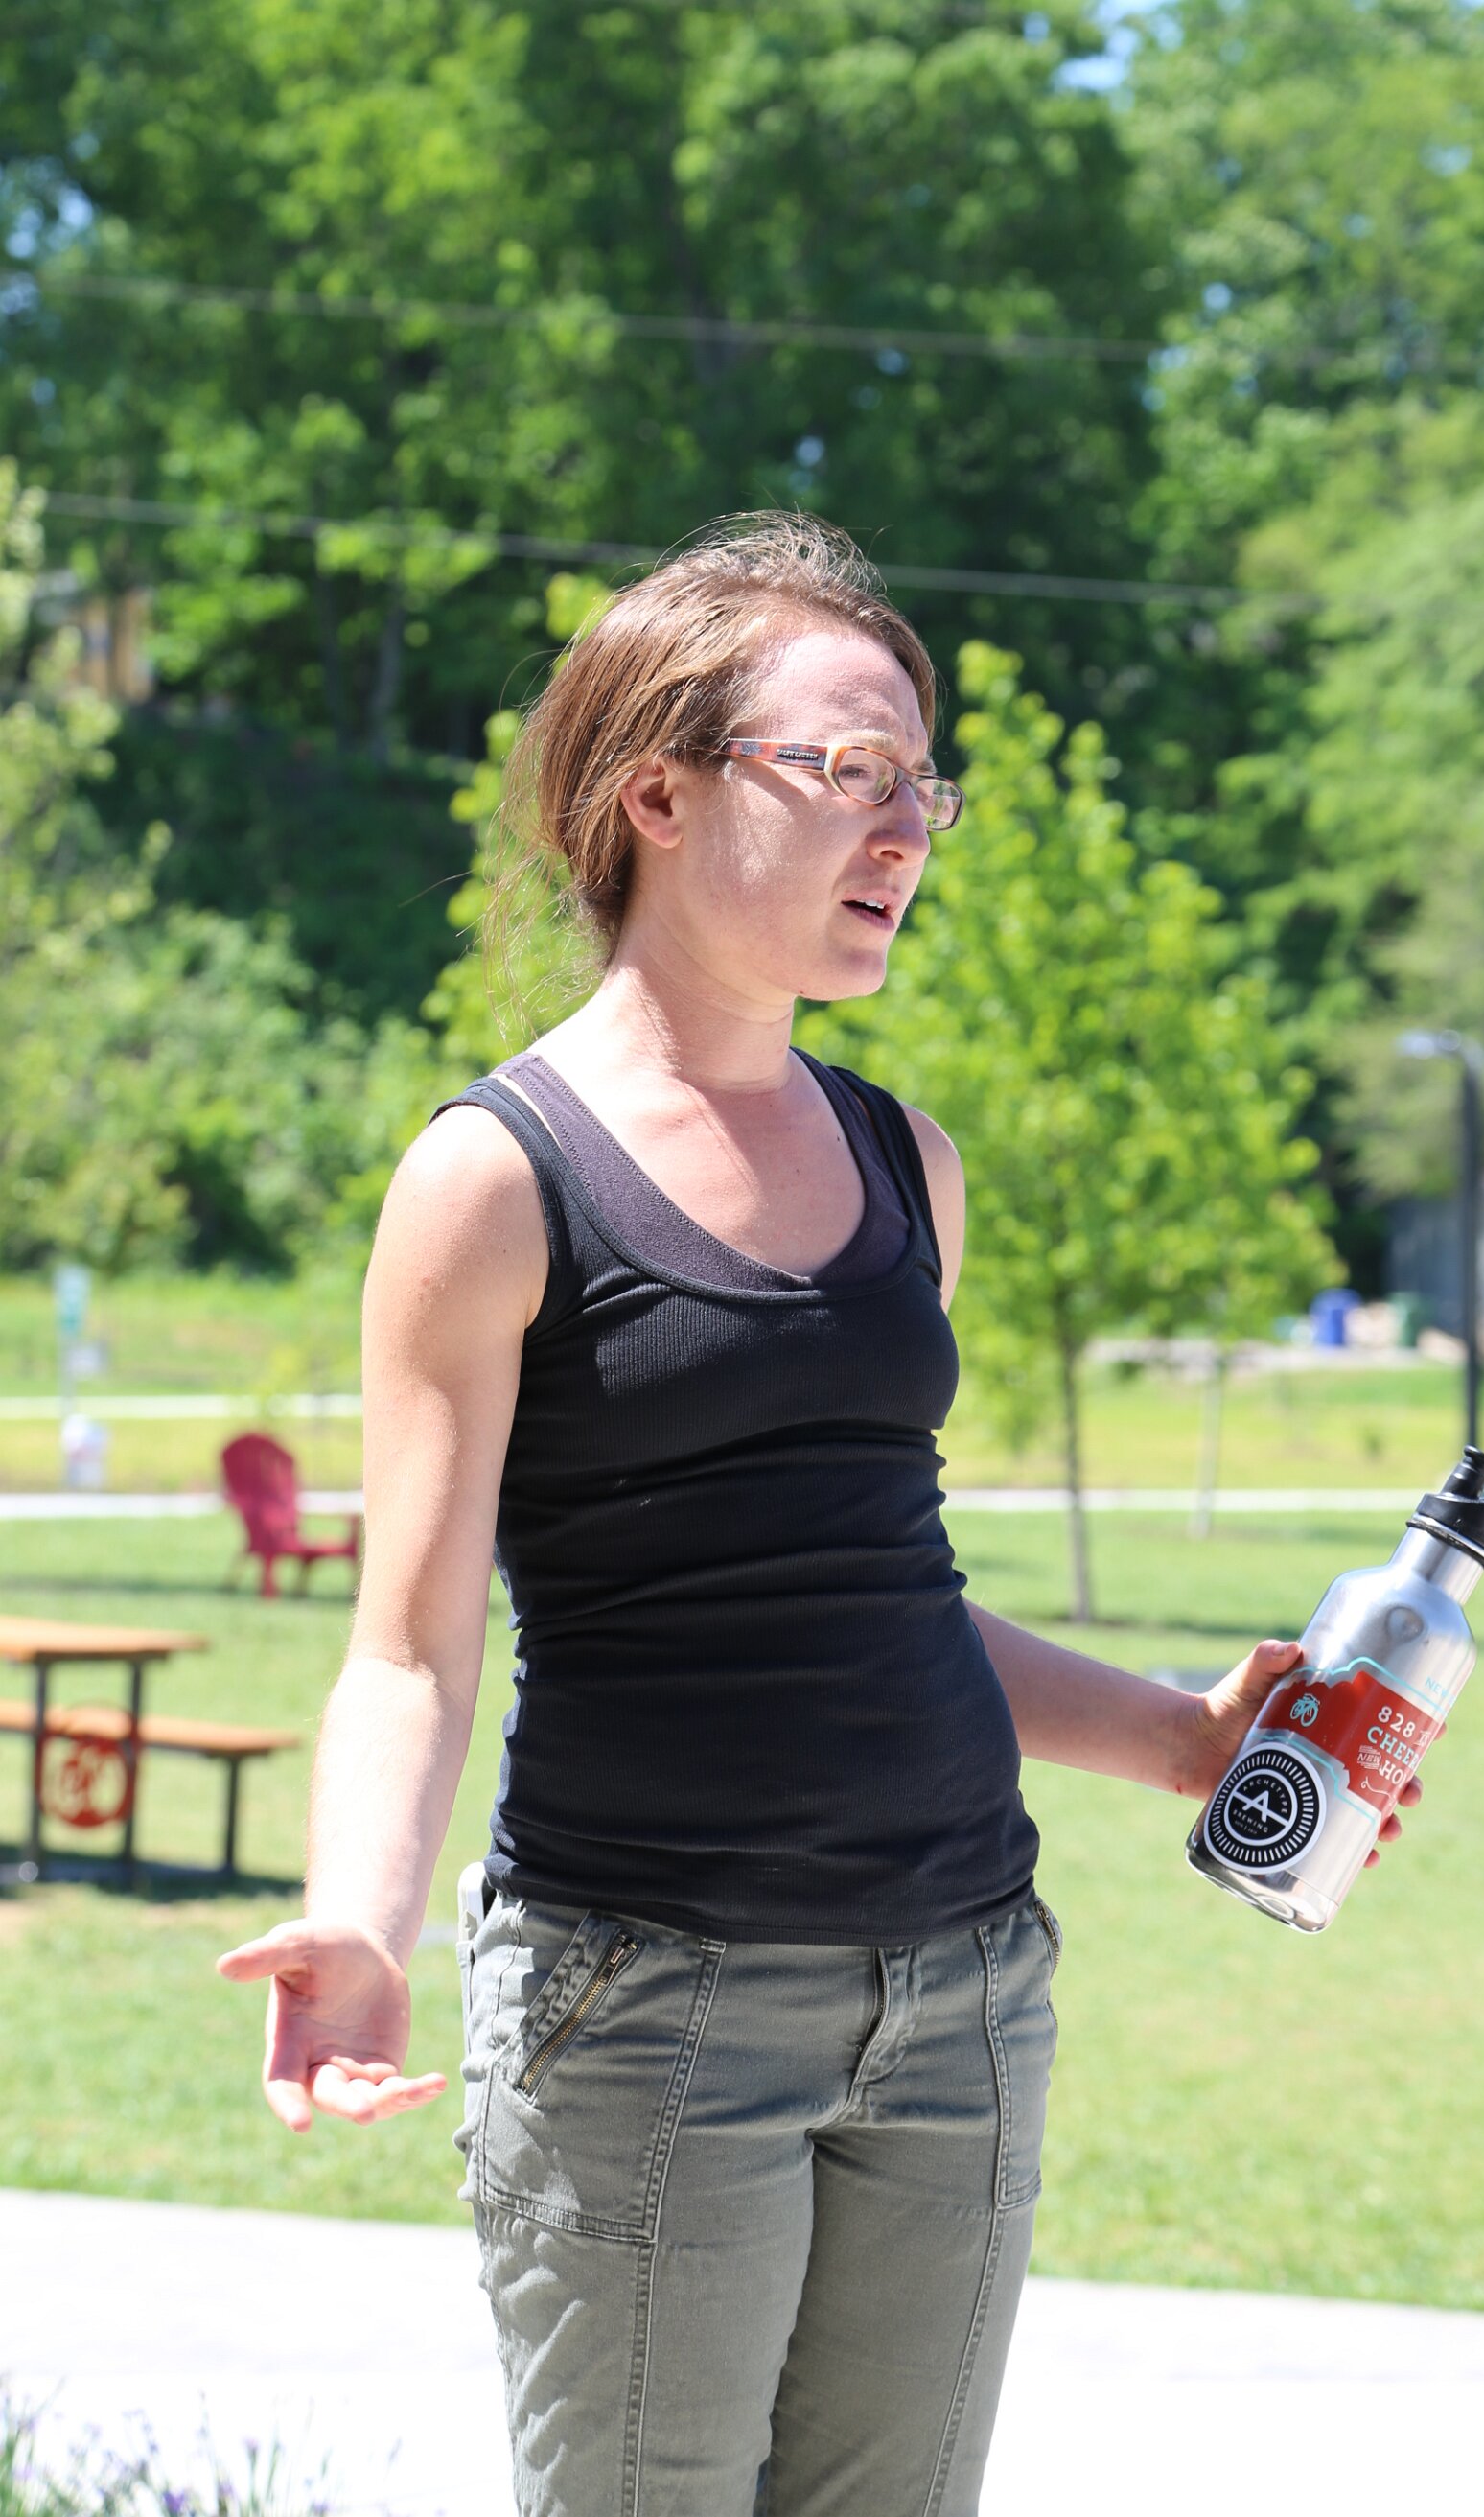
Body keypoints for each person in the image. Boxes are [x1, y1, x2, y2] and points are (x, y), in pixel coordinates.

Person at [220, 513, 1420, 2517]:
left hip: (963, 1990)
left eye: (920, 784)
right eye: (848, 770)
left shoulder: (903, 1161)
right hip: (645, 2005)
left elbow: (875, 1584)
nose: (904, 828)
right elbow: (409, 1643)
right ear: (659, 796)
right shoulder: (494, 1177)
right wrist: (359, 1913)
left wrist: (1176, 1734)